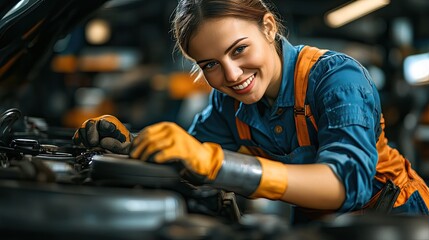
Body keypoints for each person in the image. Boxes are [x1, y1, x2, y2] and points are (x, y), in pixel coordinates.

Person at [73, 0, 429, 225]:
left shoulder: (337, 78)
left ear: (269, 27)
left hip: (394, 220)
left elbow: (344, 185)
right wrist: (129, 144)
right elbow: (187, 157)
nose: (231, 75)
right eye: (211, 64)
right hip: (318, 225)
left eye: (239, 49)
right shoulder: (228, 103)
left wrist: (219, 164)